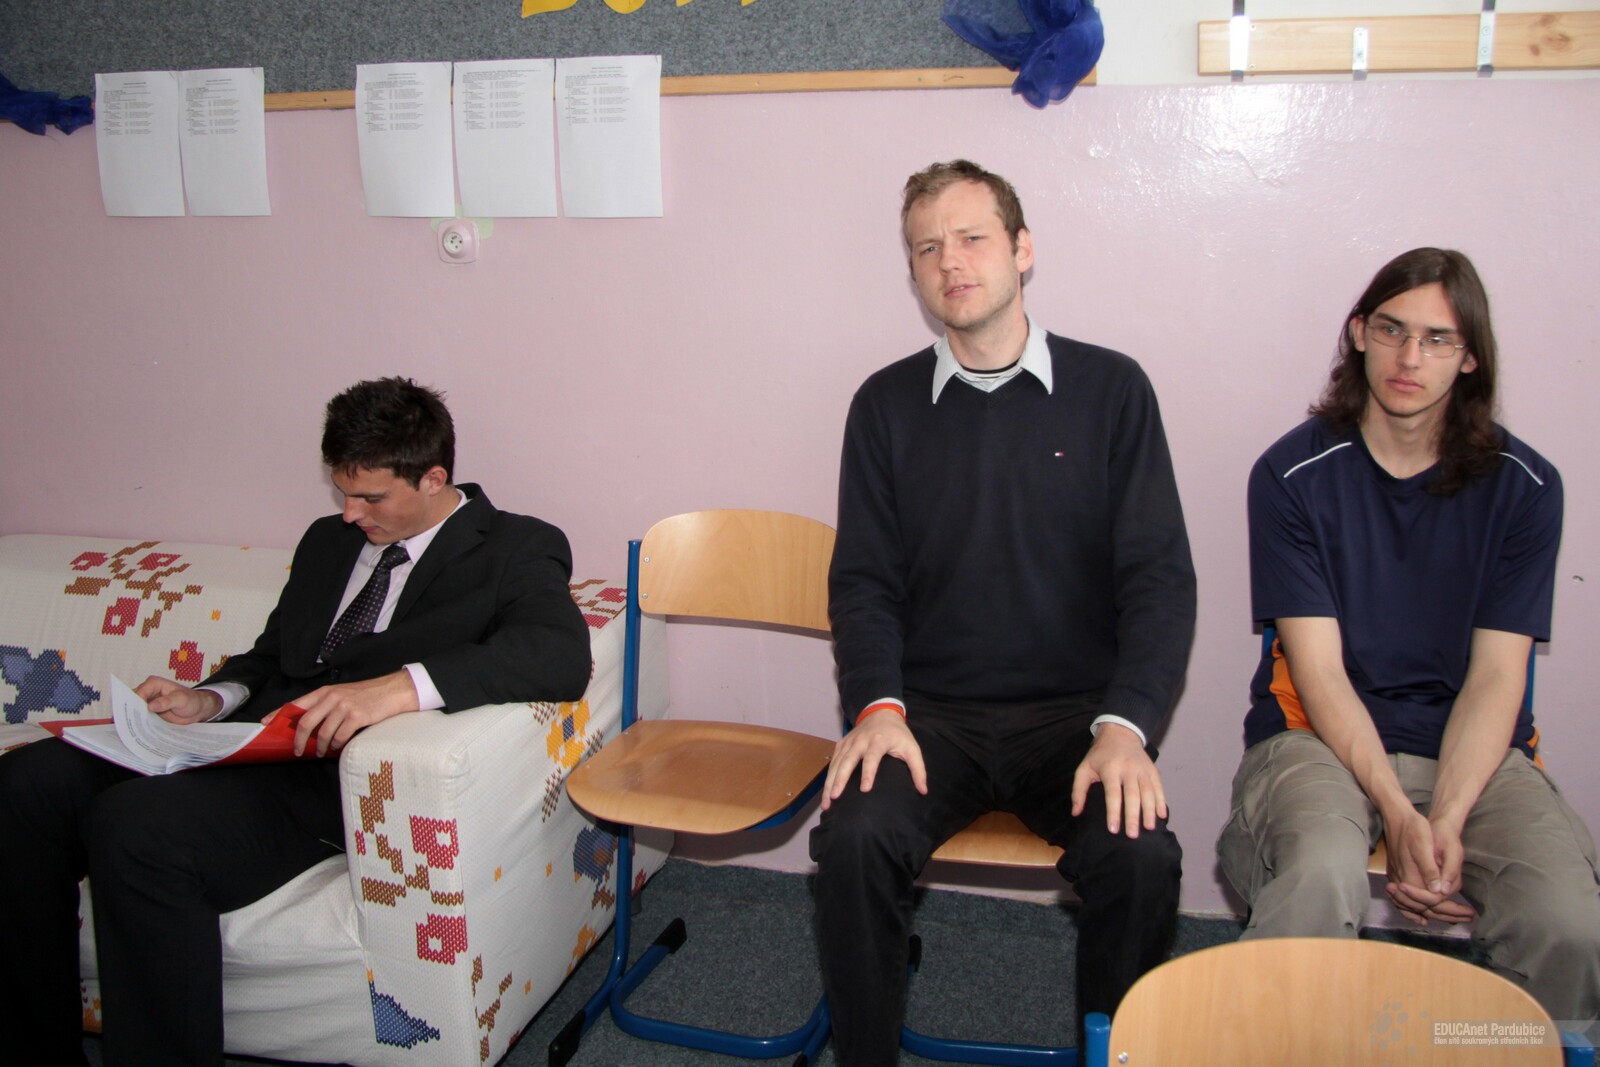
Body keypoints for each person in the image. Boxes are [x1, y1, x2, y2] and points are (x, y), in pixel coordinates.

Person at [0, 376, 591, 1066]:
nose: (350, 513)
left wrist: (398, 688)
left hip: (326, 778)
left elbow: (558, 654)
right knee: (24, 784)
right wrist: (211, 698)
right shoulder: (327, 541)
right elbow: (272, 653)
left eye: (370, 497)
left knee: (135, 827)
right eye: (342, 491)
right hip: (241, 738)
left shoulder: (514, 546)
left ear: (433, 478)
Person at [812, 160, 1195, 1064]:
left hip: (1076, 718)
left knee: (1141, 855)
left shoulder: (1113, 390)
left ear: (1023, 250)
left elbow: (1159, 579)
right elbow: (863, 581)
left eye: (972, 237)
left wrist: (1127, 726)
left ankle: (1116, 1054)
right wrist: (876, 706)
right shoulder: (883, 406)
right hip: (928, 717)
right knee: (854, 837)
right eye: (927, 247)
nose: (950, 260)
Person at [1217, 248, 1600, 1030]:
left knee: (1568, 920)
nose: (1409, 357)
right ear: (1359, 333)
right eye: (1392, 330)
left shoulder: (1526, 487)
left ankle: (1511, 1045)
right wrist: (1397, 810)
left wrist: (1445, 818)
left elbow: (1498, 678)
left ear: (1470, 357)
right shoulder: (1291, 474)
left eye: (1438, 339)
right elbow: (1319, 675)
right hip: (1317, 737)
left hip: (1474, 749)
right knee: (1320, 875)